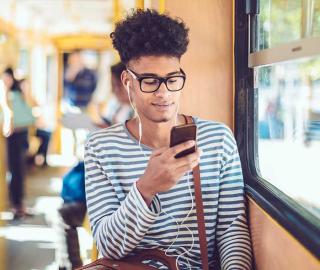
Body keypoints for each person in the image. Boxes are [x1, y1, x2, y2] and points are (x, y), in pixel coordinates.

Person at [84, 9, 252, 270]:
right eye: (150, 81)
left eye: (172, 79)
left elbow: (232, 230)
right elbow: (109, 247)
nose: (164, 93)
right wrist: (146, 189)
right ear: (127, 82)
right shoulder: (101, 147)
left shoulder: (217, 139)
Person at [56, 62, 132, 270]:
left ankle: (72, 265)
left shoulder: (136, 114)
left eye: (117, 86)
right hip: (98, 173)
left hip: (113, 181)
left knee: (64, 215)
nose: (115, 91)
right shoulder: (117, 106)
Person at [1, 67, 35, 219]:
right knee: (14, 172)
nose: (6, 81)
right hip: (13, 135)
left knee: (20, 171)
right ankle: (16, 205)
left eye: (8, 78)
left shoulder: (17, 93)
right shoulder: (5, 95)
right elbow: (7, 114)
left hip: (22, 133)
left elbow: (29, 110)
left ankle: (20, 204)